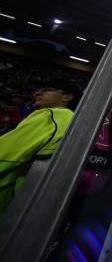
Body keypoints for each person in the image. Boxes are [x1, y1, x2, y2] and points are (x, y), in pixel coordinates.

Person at [0, 79, 81, 216]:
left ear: (66, 97)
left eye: (47, 89)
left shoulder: (53, 115)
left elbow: (5, 155)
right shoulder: (68, 118)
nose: (38, 93)